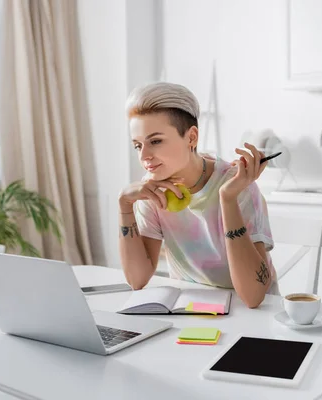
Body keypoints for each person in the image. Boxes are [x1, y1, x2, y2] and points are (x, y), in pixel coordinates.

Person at [118, 82, 277, 308]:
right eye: (137, 145)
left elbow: (253, 297)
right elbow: (137, 280)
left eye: (155, 141)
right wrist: (124, 205)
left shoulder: (237, 185)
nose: (145, 156)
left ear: (191, 138)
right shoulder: (152, 190)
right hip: (192, 310)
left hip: (253, 316)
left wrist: (228, 199)